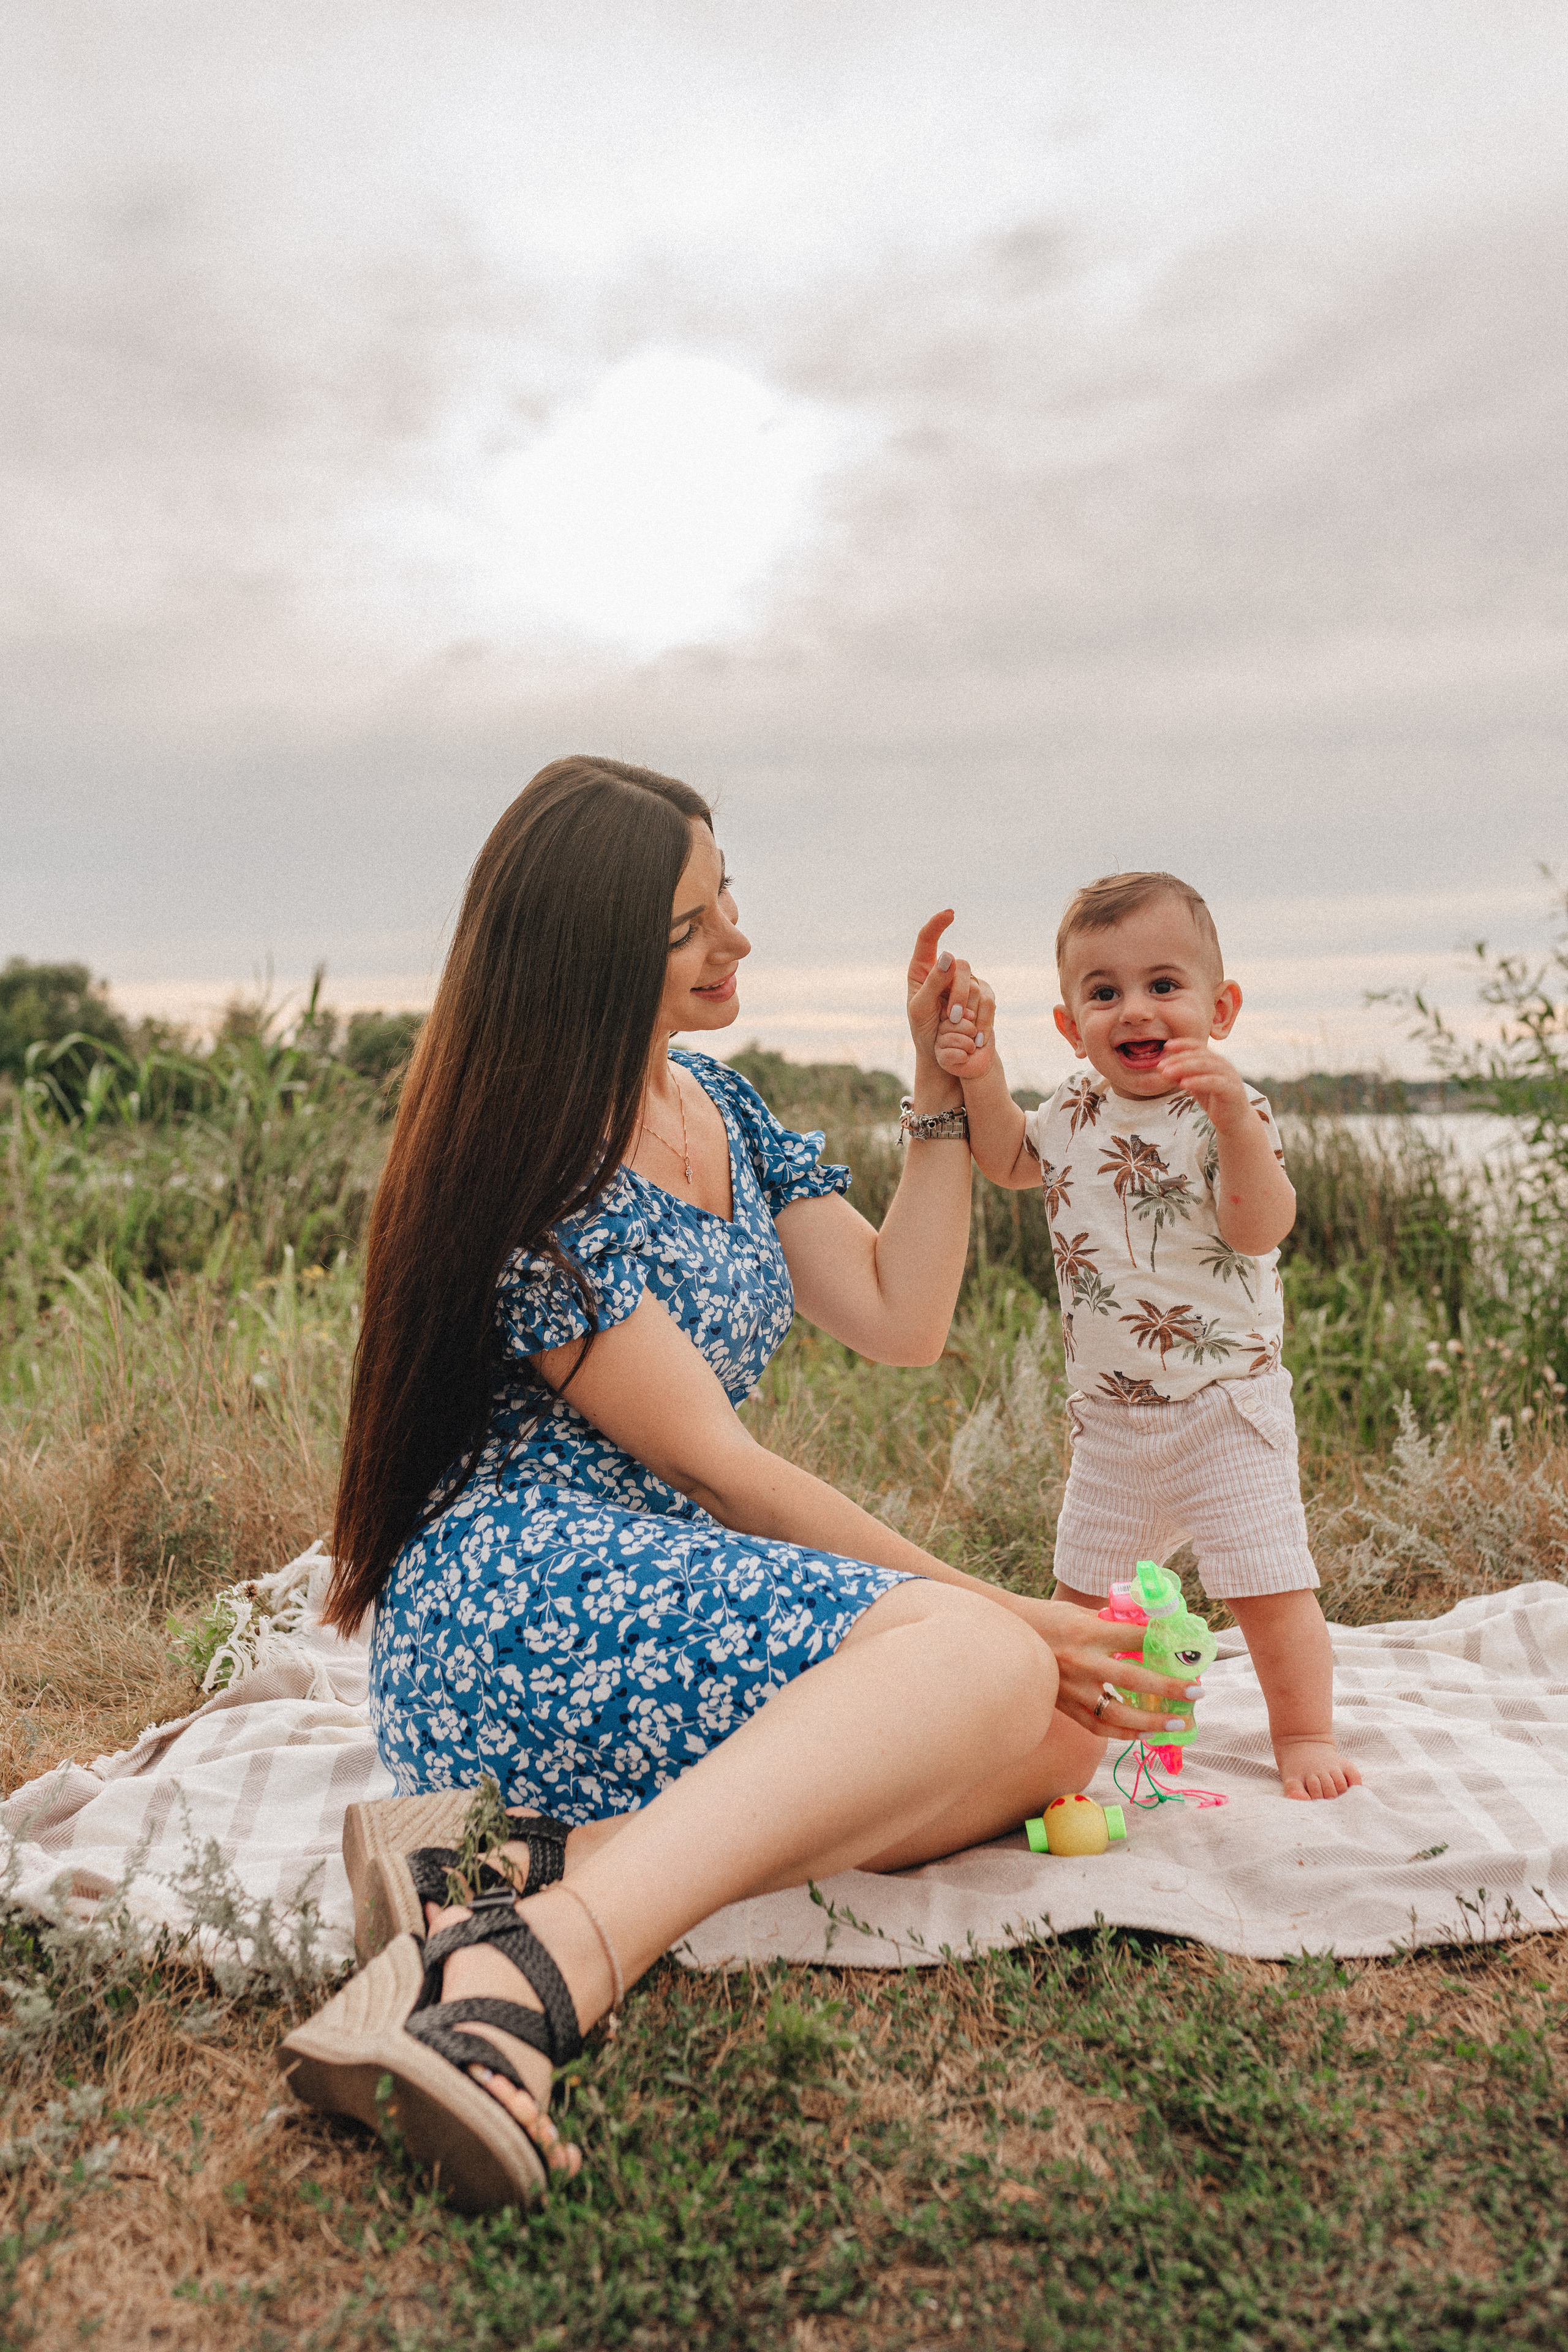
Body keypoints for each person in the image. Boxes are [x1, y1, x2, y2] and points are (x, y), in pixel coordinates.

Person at [279, 761, 1200, 2209]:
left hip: (662, 1591)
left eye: (729, 902)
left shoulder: (720, 1102)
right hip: (522, 1601)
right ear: (595, 957)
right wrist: (1010, 1609)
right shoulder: (539, 1179)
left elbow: (904, 1316)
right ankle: (523, 1978)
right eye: (693, 927)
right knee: (980, 1656)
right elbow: (728, 1473)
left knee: (1054, 1740)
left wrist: (946, 1094)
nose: (736, 945)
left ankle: (502, 1861)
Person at [936, 867, 1361, 1805]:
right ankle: (1058, 1732)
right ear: (1069, 1024)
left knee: (1267, 1587)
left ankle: (1302, 1729)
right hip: (1113, 1419)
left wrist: (1235, 1121)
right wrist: (981, 1074)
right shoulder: (1074, 1111)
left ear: (1221, 1005)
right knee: (1080, 1598)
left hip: (1225, 1408)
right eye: (1105, 993)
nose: (1137, 1011)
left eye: (1164, 986)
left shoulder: (1229, 1115)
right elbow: (1008, 1156)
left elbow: (1260, 1228)